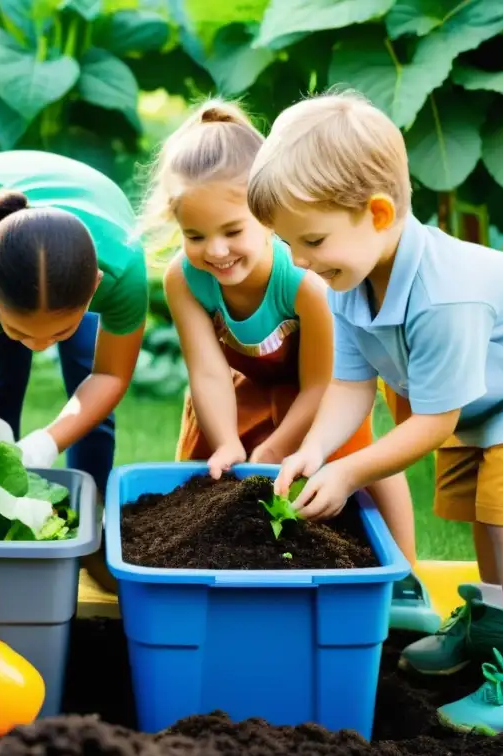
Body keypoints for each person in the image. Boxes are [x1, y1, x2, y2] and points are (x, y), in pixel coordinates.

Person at [253, 90, 503, 732]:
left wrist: (351, 473)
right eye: (289, 244)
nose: (299, 261)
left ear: (379, 212)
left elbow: (433, 423)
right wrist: (314, 451)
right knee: (478, 501)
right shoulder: (347, 278)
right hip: (488, 396)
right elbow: (351, 389)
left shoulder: (443, 295)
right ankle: (496, 624)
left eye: (312, 241)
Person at [139, 99, 430, 625]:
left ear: (269, 218)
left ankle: (405, 575)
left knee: (357, 453)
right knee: (212, 471)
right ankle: (210, 575)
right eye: (195, 236)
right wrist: (229, 439)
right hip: (242, 383)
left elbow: (323, 385)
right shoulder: (184, 280)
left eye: (232, 230)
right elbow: (207, 372)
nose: (216, 251)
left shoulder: (305, 283)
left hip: (324, 386)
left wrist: (278, 444)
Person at [0, 150, 148, 495]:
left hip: (90, 211)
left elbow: (109, 374)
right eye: (19, 331)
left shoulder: (122, 270)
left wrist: (49, 441)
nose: (38, 345)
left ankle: (91, 516)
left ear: (96, 284)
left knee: (88, 387)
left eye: (60, 331)